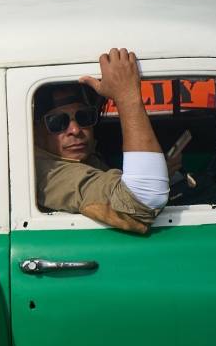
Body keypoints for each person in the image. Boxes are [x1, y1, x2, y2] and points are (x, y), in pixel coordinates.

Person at [35, 48, 168, 233]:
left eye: (84, 117)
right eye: (58, 122)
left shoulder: (76, 157)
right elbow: (142, 200)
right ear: (34, 130)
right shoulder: (50, 175)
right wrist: (127, 95)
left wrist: (164, 173)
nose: (75, 130)